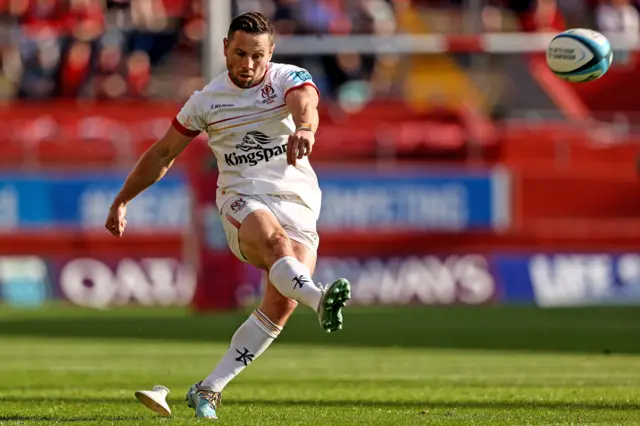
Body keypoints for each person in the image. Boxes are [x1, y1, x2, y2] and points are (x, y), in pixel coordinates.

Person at [104, 11, 351, 420]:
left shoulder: (287, 78)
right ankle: (320, 298)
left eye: (257, 56)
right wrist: (122, 199)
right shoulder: (206, 101)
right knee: (276, 247)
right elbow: (163, 153)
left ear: (270, 53)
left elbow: (305, 102)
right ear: (224, 48)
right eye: (239, 53)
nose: (248, 65)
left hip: (299, 201)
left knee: (282, 302)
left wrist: (306, 129)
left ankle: (208, 389)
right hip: (242, 199)